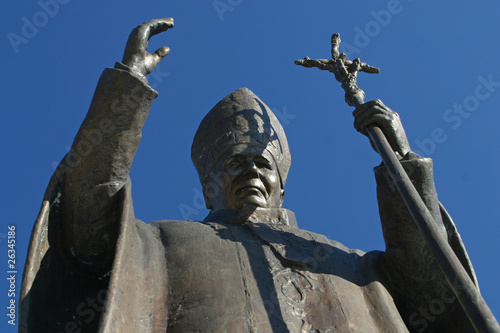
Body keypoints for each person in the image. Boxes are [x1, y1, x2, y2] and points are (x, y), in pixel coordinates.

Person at [20, 18, 479, 332]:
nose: (252, 170)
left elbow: (435, 286)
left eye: (263, 163)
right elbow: (84, 216)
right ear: (207, 186)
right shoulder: (157, 241)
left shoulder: (359, 266)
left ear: (283, 182)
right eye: (234, 162)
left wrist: (402, 158)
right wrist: (124, 93)